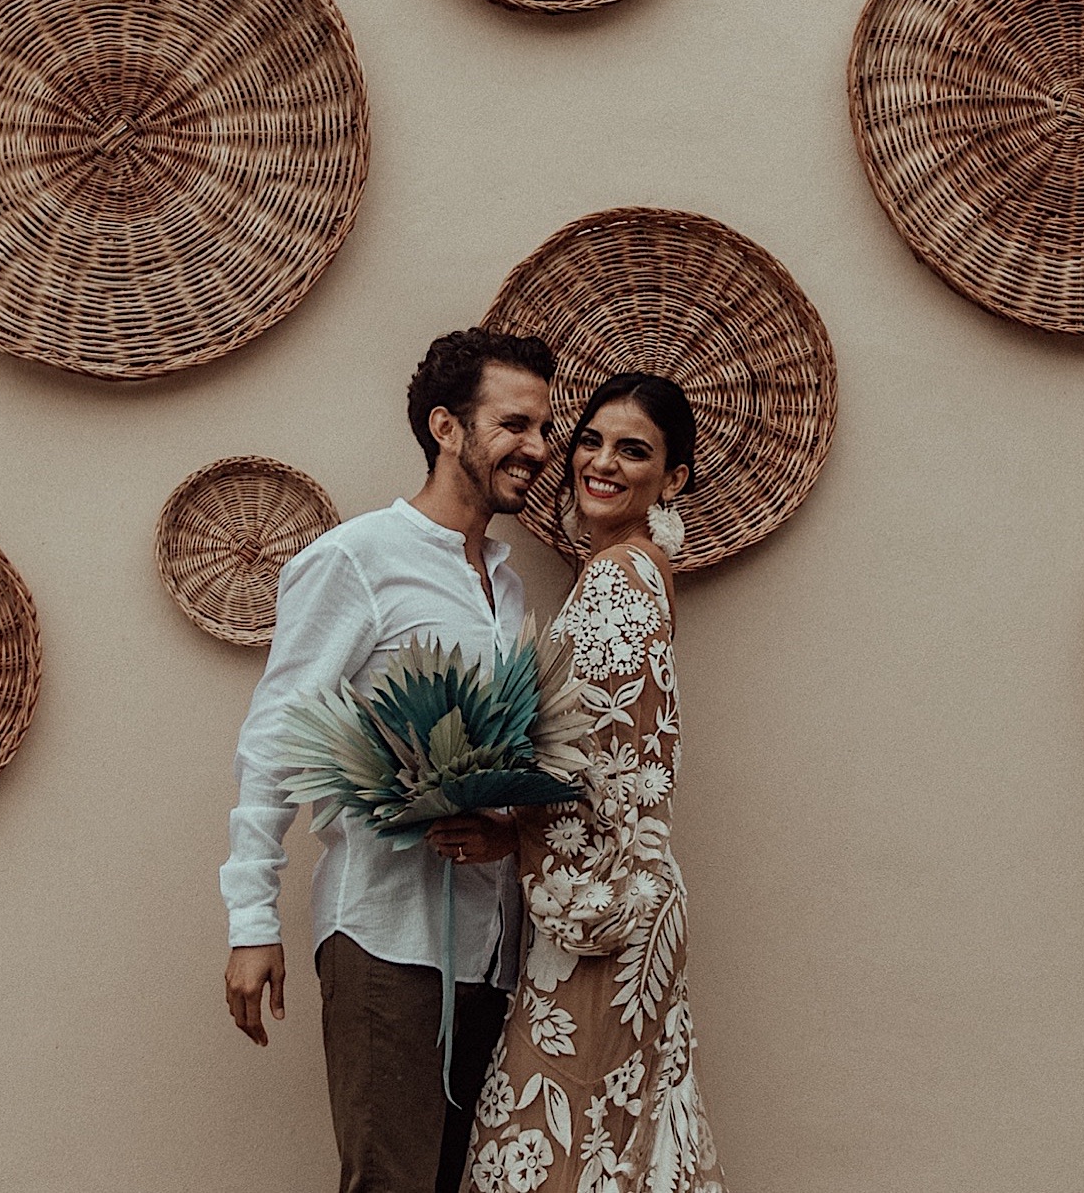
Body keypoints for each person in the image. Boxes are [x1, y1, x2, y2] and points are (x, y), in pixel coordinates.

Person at [221, 327, 556, 1193]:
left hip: (491, 949)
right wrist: (251, 920)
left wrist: (509, 824)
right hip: (385, 938)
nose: (538, 449)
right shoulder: (355, 560)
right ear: (447, 428)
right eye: (515, 425)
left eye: (543, 428)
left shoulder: (507, 584)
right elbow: (275, 738)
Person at [455, 373, 727, 1193]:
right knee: (617, 1145)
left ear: (672, 479)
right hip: (629, 901)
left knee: (556, 1149)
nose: (602, 463)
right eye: (592, 441)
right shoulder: (634, 572)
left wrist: (512, 835)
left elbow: (611, 779)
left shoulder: (618, 580)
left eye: (633, 450)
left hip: (601, 914)